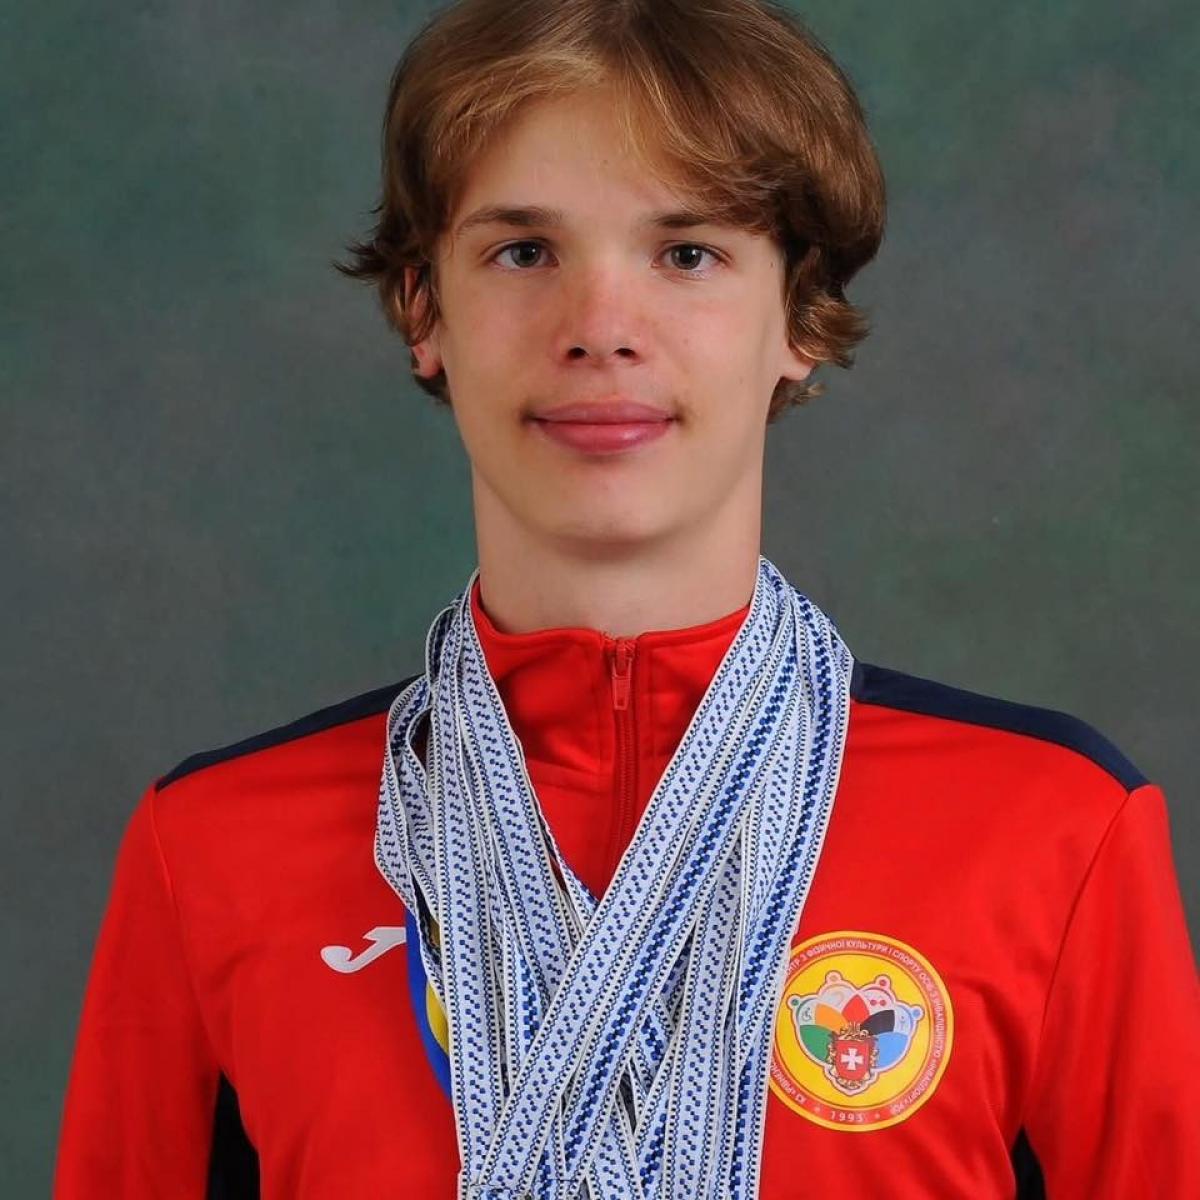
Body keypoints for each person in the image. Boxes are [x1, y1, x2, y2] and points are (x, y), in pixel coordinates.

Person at [54, 0, 1199, 1197]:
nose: (601, 330)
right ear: (424, 309)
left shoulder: (1054, 833)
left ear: (798, 314)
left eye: (687, 253)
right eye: (524, 252)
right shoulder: (216, 851)